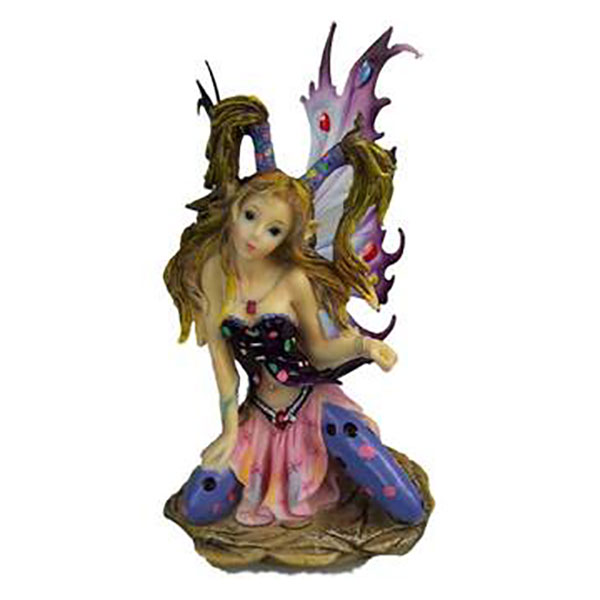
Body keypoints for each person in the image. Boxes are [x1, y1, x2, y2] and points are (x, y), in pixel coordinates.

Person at [164, 94, 425, 527]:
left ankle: (338, 473)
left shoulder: (293, 280)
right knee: (198, 507)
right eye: (250, 215)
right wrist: (230, 430)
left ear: (288, 238)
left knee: (405, 507)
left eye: (273, 230)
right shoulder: (213, 272)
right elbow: (224, 367)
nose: (254, 235)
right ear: (235, 206)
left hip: (314, 407)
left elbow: (319, 352)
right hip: (257, 418)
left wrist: (364, 346)